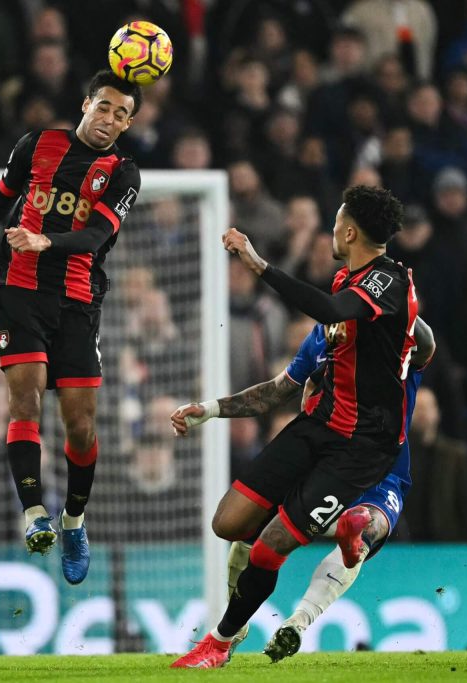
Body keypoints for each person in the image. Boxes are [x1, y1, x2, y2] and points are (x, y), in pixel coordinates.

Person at [171, 185, 416, 669]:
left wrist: (258, 265)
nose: (330, 231)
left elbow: (404, 333)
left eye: (335, 222)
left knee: (269, 548)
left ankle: (218, 643)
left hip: (361, 446)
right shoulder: (347, 283)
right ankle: (307, 527)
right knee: (229, 524)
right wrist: (211, 409)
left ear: (349, 230)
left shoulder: (387, 282)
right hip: (317, 426)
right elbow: (281, 388)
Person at [0, 69, 143, 584]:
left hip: (78, 300)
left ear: (128, 124)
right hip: (17, 287)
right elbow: (0, 200)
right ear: (85, 103)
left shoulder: (123, 174)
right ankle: (33, 514)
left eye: (121, 114)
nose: (109, 120)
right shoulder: (37, 143)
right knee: (26, 396)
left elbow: (93, 237)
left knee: (81, 423)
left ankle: (74, 520)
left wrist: (46, 242)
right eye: (104, 107)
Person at [171, 316, 434, 661]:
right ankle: (236, 621)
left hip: (382, 469)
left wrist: (399, 304)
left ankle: (297, 623)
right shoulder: (322, 341)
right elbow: (278, 389)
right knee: (238, 529)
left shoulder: (392, 345)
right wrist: (210, 409)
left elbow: (427, 345)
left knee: (363, 524)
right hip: (325, 463)